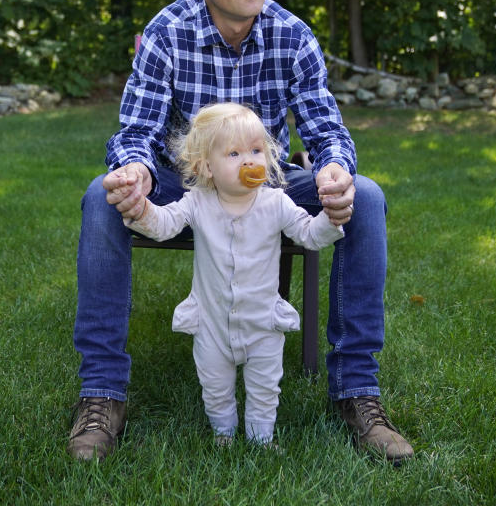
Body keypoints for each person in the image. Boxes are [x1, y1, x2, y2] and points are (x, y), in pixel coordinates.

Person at [69, 0, 414, 463]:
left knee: (367, 196)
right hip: (183, 185)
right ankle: (102, 395)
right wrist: (133, 169)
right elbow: (136, 130)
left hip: (267, 186)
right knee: (99, 198)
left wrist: (333, 169)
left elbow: (327, 130)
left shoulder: (291, 36)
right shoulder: (167, 34)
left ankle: (357, 393)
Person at [117, 102, 344, 446]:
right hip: (211, 323)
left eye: (256, 150)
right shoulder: (197, 202)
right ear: (207, 167)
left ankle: (260, 440)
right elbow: (163, 226)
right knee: (215, 386)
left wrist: (331, 217)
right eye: (234, 153)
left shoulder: (276, 203)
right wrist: (142, 209)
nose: (249, 160)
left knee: (265, 386)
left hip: (263, 323)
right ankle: (223, 433)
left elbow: (309, 234)